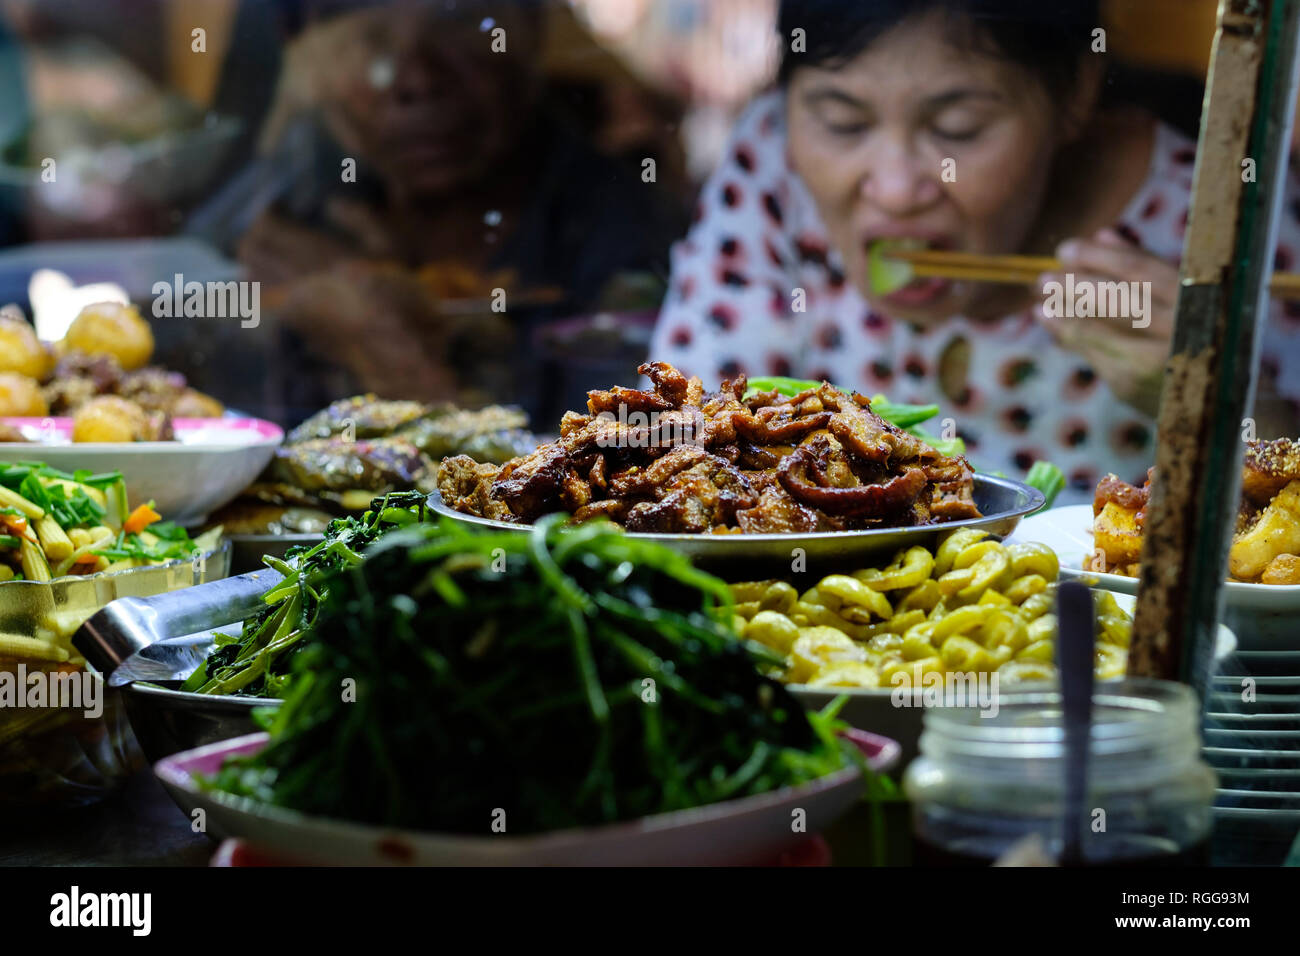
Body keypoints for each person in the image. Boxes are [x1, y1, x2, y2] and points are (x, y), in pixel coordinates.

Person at [648, 0, 1300, 503]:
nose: (897, 190)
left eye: (957, 128)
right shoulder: (772, 166)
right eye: (843, 122)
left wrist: (1222, 398)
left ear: (1074, 94)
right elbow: (676, 443)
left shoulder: (1219, 219)